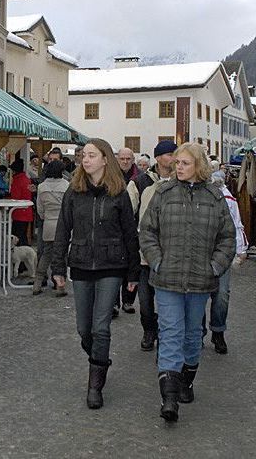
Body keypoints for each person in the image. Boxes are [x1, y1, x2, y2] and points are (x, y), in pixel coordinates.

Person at [140, 142, 235, 422]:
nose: (177, 167)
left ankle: (186, 381)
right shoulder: (163, 194)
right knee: (170, 332)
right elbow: (147, 232)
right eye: (176, 162)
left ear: (199, 166)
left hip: (200, 280)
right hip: (167, 279)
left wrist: (215, 267)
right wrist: (157, 261)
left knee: (193, 334)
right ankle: (169, 398)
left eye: (184, 163)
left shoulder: (215, 197)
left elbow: (227, 238)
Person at [51, 138, 140, 410]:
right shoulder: (73, 191)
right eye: (83, 155)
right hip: (80, 264)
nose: (85, 159)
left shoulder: (119, 193)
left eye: (91, 155)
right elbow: (62, 230)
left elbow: (129, 234)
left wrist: (133, 273)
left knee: (101, 326)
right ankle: (99, 360)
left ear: (104, 159)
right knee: (83, 328)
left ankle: (95, 385)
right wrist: (57, 268)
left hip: (111, 265)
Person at [126, 140, 177, 352]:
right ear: (158, 158)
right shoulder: (140, 182)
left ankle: (168, 335)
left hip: (172, 252)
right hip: (145, 253)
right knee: (146, 302)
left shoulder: (181, 181)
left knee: (170, 302)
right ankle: (149, 330)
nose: (173, 158)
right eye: (169, 154)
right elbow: (128, 214)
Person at [201, 170, 248, 355]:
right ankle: (198, 333)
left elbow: (236, 224)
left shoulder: (228, 199)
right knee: (198, 295)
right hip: (201, 252)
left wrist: (241, 249)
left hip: (222, 253)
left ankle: (218, 331)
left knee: (221, 295)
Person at [33, 160, 69, 295]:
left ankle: (37, 283)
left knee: (46, 254)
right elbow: (69, 207)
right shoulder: (66, 185)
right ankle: (60, 286)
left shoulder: (42, 187)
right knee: (61, 255)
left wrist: (45, 216)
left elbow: (40, 209)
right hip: (62, 224)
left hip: (48, 223)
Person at [114, 147, 140, 316]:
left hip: (133, 226)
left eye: (128, 159)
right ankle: (113, 303)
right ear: (118, 160)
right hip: (114, 227)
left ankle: (128, 300)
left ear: (132, 159)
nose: (125, 161)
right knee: (114, 265)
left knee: (132, 262)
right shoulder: (111, 176)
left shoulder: (139, 178)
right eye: (122, 158)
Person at [9, 158, 34, 249]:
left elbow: (15, 197)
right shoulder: (26, 179)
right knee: (23, 236)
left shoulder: (17, 181)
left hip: (18, 212)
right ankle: (25, 258)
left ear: (14, 171)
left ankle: (23, 260)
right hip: (26, 212)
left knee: (18, 238)